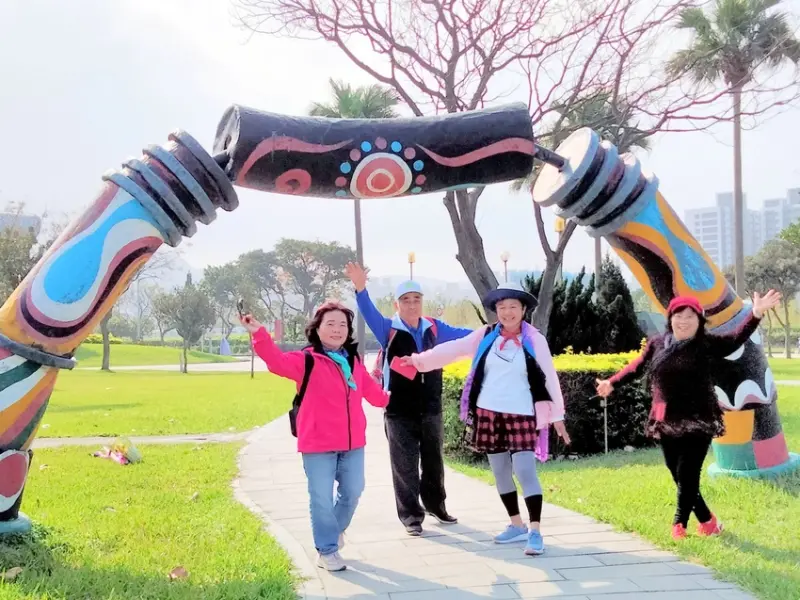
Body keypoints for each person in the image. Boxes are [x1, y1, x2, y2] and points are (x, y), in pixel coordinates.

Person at [595, 290, 781, 540]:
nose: (683, 321)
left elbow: (736, 338)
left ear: (700, 320)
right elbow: (637, 367)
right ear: (670, 318)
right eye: (678, 316)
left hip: (698, 419)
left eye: (690, 316)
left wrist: (755, 313)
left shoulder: (706, 344)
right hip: (666, 418)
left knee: (688, 473)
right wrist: (612, 382)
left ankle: (679, 524)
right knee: (676, 471)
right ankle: (707, 521)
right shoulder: (657, 344)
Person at [401, 282, 570, 555]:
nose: (507, 312)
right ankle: (516, 525)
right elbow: (453, 349)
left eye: (513, 306)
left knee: (525, 471)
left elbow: (549, 377)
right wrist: (419, 360)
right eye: (502, 307)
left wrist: (557, 415)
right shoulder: (486, 335)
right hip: (489, 413)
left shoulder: (534, 339)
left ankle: (535, 531)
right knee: (500, 471)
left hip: (522, 414)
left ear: (523, 310)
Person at [240, 301, 389, 572]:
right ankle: (327, 550)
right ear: (317, 329)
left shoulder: (353, 360)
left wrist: (386, 399)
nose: (337, 329)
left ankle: (332, 532)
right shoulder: (306, 360)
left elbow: (368, 388)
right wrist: (259, 333)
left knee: (353, 492)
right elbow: (276, 361)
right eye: (330, 324)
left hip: (353, 443)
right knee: (321, 498)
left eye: (342, 324)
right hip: (318, 444)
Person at [345, 262, 473, 536]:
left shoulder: (434, 328)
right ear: (397, 304)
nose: (412, 304)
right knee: (404, 465)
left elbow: (465, 338)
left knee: (434, 462)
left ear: (422, 302)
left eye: (416, 299)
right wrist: (360, 288)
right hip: (398, 410)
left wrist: (494, 332)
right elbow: (367, 311)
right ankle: (411, 517)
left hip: (431, 407)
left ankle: (436, 505)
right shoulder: (388, 328)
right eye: (406, 300)